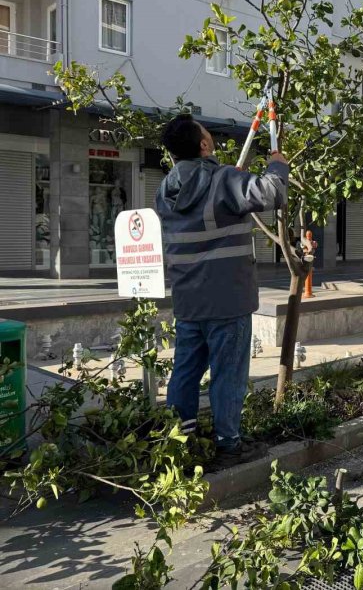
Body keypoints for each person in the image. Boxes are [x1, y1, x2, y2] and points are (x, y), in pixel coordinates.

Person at [156, 114, 288, 471]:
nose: (209, 134)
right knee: (228, 375)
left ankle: (180, 438)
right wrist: (276, 166)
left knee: (185, 371)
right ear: (202, 145)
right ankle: (229, 445)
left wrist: (228, 177)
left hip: (188, 299)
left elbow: (204, 207)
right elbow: (273, 194)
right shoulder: (223, 180)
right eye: (205, 131)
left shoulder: (165, 190)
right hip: (228, 300)